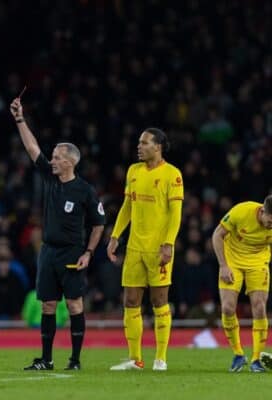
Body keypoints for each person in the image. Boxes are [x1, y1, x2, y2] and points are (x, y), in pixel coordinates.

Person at [10, 97, 105, 371]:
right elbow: (31, 147)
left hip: (72, 253)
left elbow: (99, 223)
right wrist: (19, 118)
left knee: (75, 304)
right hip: (48, 251)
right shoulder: (50, 178)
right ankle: (46, 359)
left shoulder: (85, 190)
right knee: (47, 306)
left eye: (57, 157)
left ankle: (75, 361)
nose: (51, 160)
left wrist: (88, 253)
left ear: (70, 162)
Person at [107, 128, 183, 371]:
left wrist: (168, 244)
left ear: (158, 146)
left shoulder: (173, 174)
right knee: (130, 300)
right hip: (135, 247)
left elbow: (175, 214)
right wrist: (115, 235)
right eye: (139, 142)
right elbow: (127, 206)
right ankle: (135, 359)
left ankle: (160, 358)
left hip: (158, 248)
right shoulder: (134, 171)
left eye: (144, 143)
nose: (139, 146)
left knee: (159, 300)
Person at [212, 195, 272, 372]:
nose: (270, 226)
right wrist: (223, 265)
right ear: (262, 211)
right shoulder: (241, 211)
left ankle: (256, 360)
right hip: (232, 262)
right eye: (270, 221)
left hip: (258, 263)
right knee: (228, 308)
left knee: (260, 307)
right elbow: (217, 235)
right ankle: (238, 355)